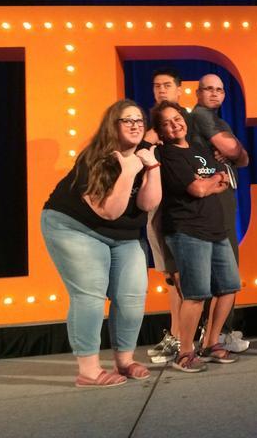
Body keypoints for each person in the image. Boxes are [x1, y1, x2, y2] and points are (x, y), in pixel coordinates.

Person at [41, 99, 162, 387]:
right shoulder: (94, 158)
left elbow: (148, 204)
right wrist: (128, 172)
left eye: (139, 120)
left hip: (123, 235)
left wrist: (153, 167)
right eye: (127, 120)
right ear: (113, 125)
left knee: (132, 295)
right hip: (75, 227)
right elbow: (109, 211)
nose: (135, 125)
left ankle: (124, 360)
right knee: (90, 294)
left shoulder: (144, 155)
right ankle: (89, 370)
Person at [152, 100, 241, 371]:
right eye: (167, 123)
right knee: (196, 294)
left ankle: (211, 343)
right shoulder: (167, 154)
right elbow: (198, 189)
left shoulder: (199, 149)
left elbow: (223, 180)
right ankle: (185, 352)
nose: (174, 125)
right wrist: (211, 183)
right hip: (187, 231)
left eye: (177, 118)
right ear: (161, 131)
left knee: (229, 287)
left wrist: (210, 182)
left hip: (216, 228)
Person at [191, 73, 250, 353]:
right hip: (210, 197)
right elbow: (233, 148)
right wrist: (232, 150)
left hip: (224, 196)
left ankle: (218, 332)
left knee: (226, 265)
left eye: (220, 90)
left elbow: (244, 158)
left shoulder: (219, 121)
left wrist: (234, 152)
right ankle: (217, 333)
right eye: (209, 89)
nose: (215, 94)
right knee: (222, 268)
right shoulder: (201, 116)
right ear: (198, 93)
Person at [144, 67, 186, 364]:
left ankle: (186, 336)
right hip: (157, 208)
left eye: (167, 85)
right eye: (157, 85)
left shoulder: (187, 124)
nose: (161, 90)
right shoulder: (148, 128)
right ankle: (176, 333)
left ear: (179, 89)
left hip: (182, 207)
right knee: (170, 276)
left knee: (182, 275)